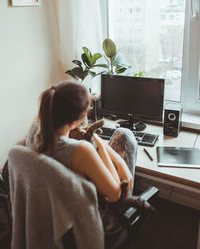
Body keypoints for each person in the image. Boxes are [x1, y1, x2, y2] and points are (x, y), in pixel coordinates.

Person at [26, 80, 138, 235]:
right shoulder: (80, 150)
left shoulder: (34, 132)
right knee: (126, 135)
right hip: (93, 222)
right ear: (75, 122)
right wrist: (100, 147)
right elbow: (115, 195)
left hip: (56, 216)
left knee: (122, 137)